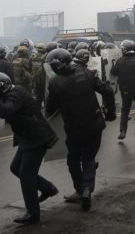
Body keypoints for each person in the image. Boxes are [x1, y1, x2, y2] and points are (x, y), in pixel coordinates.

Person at [45, 48, 116, 211]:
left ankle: (80, 189)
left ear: (57, 65)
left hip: (74, 128)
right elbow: (107, 91)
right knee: (89, 158)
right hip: (95, 123)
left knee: (74, 159)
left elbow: (50, 109)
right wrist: (110, 113)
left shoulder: (55, 82)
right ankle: (87, 188)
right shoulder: (87, 72)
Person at [0, 72, 59, 226]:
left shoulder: (16, 94)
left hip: (37, 138)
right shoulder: (12, 92)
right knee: (15, 168)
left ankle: (33, 213)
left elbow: (5, 111)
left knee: (26, 175)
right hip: (28, 138)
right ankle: (48, 188)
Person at [111, 40, 135, 142]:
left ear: (124, 49)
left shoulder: (120, 61)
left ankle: (123, 131)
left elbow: (113, 72)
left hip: (125, 89)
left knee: (125, 110)